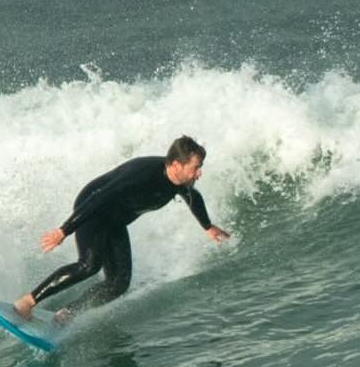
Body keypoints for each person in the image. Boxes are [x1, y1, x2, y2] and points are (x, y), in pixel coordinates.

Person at [13, 135, 230, 322]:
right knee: (89, 265)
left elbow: (194, 198)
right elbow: (100, 197)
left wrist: (207, 227)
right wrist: (64, 230)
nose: (199, 173)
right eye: (196, 168)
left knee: (119, 283)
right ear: (176, 165)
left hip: (114, 220)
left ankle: (67, 315)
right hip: (93, 207)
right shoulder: (142, 174)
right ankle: (27, 302)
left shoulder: (180, 183)